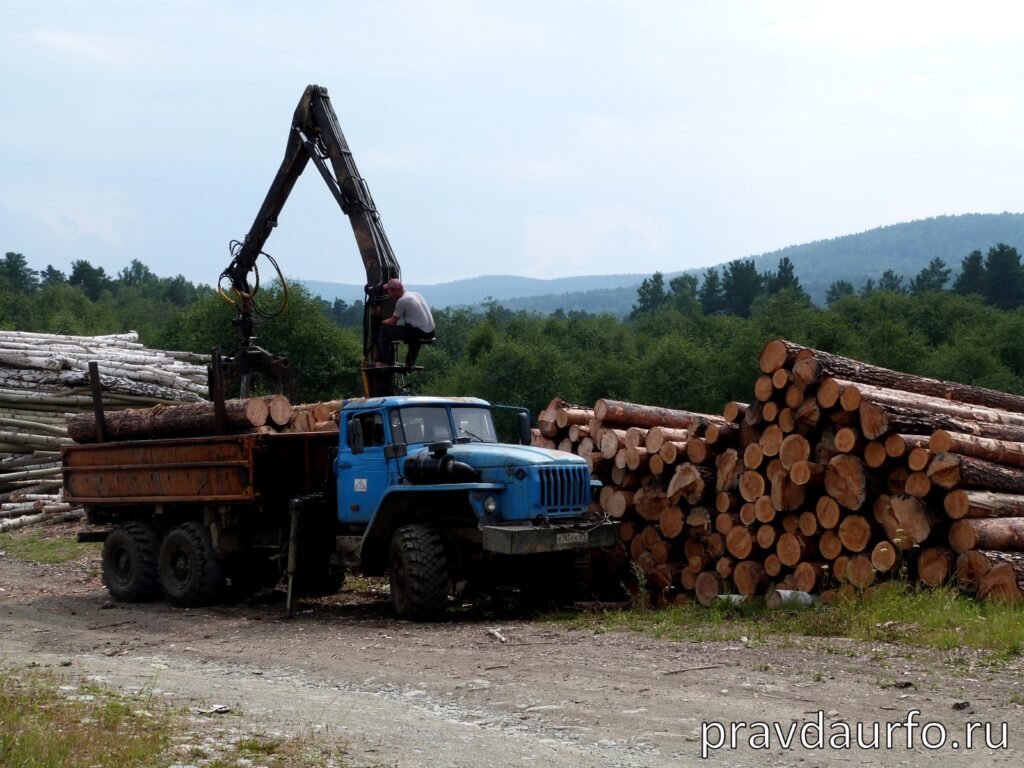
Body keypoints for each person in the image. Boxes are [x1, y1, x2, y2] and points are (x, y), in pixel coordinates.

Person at [376, 278, 435, 367]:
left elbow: (392, 322)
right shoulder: (416, 294)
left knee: (385, 330)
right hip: (430, 332)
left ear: (394, 290)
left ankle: (383, 362)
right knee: (410, 329)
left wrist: (381, 321)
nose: (389, 295)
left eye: (389, 292)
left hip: (418, 332)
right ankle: (409, 364)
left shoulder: (402, 300)